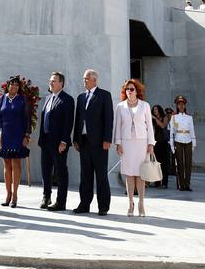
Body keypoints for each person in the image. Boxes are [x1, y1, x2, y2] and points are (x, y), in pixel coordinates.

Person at [73, 68, 113, 215]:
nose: (84, 81)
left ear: (94, 80)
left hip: (99, 142)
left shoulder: (104, 96)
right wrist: (75, 139)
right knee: (85, 175)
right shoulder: (81, 97)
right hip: (83, 141)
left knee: (101, 175)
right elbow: (78, 120)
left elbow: (109, 119)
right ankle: (84, 204)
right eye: (84, 79)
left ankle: (103, 206)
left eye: (86, 79)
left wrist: (107, 139)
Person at [114, 79, 154, 217]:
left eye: (132, 89)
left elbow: (149, 125)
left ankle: (141, 203)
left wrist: (151, 143)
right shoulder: (120, 106)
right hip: (126, 143)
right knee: (129, 174)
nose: (129, 91)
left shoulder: (145, 106)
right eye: (127, 89)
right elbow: (117, 126)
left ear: (137, 91)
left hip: (141, 142)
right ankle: (130, 203)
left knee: (141, 174)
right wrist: (118, 143)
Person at [38, 71, 74, 212]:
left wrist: (64, 141)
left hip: (59, 143)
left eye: (54, 81)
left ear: (61, 83)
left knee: (60, 171)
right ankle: (46, 197)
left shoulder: (67, 99)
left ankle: (61, 201)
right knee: (45, 171)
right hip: (46, 141)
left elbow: (68, 122)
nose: (50, 83)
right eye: (50, 80)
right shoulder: (47, 98)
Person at [0, 76, 31, 208]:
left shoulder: (22, 100)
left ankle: (15, 195)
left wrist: (26, 136)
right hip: (6, 136)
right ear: (7, 86)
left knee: (16, 164)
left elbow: (27, 118)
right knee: (6, 165)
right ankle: (8, 194)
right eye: (11, 84)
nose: (14, 87)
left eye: (16, 85)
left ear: (19, 87)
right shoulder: (2, 99)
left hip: (18, 135)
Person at [169, 95, 196, 191]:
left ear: (185, 106)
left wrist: (194, 143)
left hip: (188, 140)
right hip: (178, 140)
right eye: (179, 104)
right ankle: (181, 184)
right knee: (179, 163)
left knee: (188, 164)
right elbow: (172, 131)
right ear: (177, 106)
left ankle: (187, 184)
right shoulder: (174, 117)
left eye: (182, 104)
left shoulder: (189, 117)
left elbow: (192, 130)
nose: (181, 106)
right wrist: (172, 145)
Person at [150, 104, 170, 189]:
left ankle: (164, 183)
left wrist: (155, 119)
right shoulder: (151, 119)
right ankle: (157, 183)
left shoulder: (164, 117)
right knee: (155, 164)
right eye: (154, 110)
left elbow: (163, 125)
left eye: (156, 109)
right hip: (155, 143)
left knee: (164, 164)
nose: (155, 111)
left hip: (163, 143)